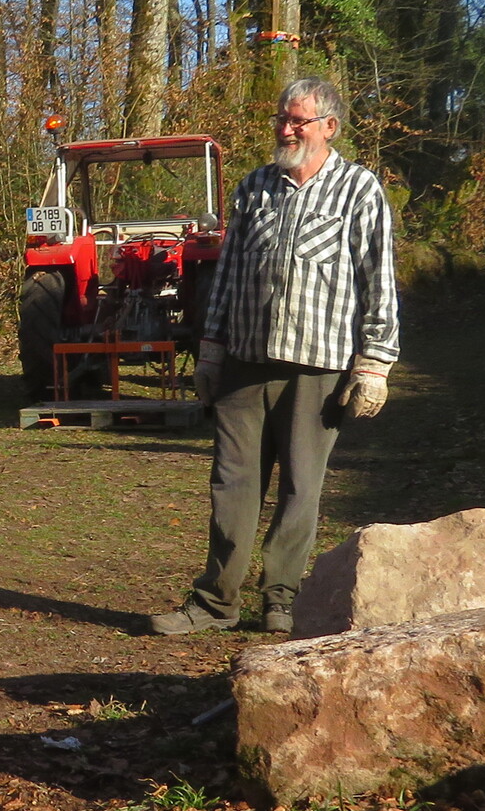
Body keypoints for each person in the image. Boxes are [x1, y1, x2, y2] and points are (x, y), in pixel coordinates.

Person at [150, 74, 398, 637]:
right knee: (232, 483)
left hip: (319, 367)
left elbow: (378, 280)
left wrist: (374, 365)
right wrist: (210, 352)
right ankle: (215, 602)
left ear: (329, 127)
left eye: (297, 121)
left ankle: (280, 598)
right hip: (245, 361)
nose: (286, 130)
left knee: (300, 488)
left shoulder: (359, 190)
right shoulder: (254, 187)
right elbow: (228, 274)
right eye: (281, 119)